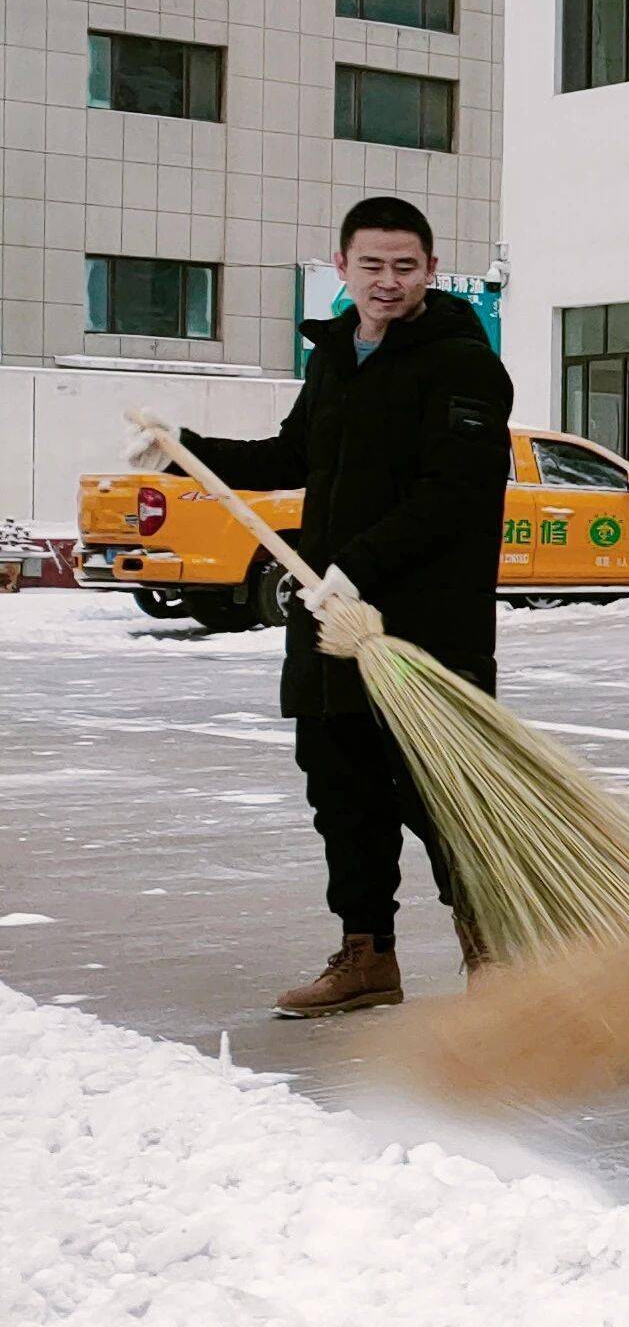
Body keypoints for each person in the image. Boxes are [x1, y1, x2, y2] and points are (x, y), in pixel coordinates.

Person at [149, 195, 509, 1018]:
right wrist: (185, 453)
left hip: (424, 627)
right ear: (341, 267)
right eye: (371, 265)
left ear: (430, 269)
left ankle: (493, 951)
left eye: (405, 266)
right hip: (333, 622)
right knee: (341, 790)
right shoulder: (336, 358)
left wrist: (357, 564)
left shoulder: (462, 363)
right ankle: (366, 955)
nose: (387, 282)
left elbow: (453, 493)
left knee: (444, 795)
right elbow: (294, 454)